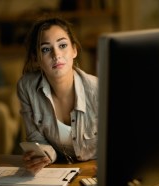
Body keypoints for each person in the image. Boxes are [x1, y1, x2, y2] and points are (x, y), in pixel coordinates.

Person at [17, 15, 98, 174]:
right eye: (46, 49)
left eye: (62, 45)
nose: (56, 55)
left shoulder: (99, 89)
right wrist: (44, 155)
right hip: (57, 172)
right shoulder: (26, 87)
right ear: (36, 58)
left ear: (74, 50)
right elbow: (36, 138)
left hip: (95, 171)